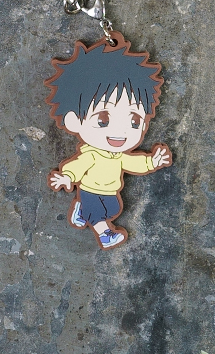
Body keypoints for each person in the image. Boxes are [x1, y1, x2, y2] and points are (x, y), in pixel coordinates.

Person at [46, 39, 171, 248]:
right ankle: (105, 234)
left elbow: (135, 163)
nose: (120, 132)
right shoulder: (91, 154)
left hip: (111, 192)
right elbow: (77, 166)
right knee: (99, 216)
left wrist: (153, 161)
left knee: (112, 210)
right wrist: (67, 177)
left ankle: (81, 211)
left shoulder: (120, 156)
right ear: (74, 120)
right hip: (90, 190)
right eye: (103, 120)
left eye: (134, 121)